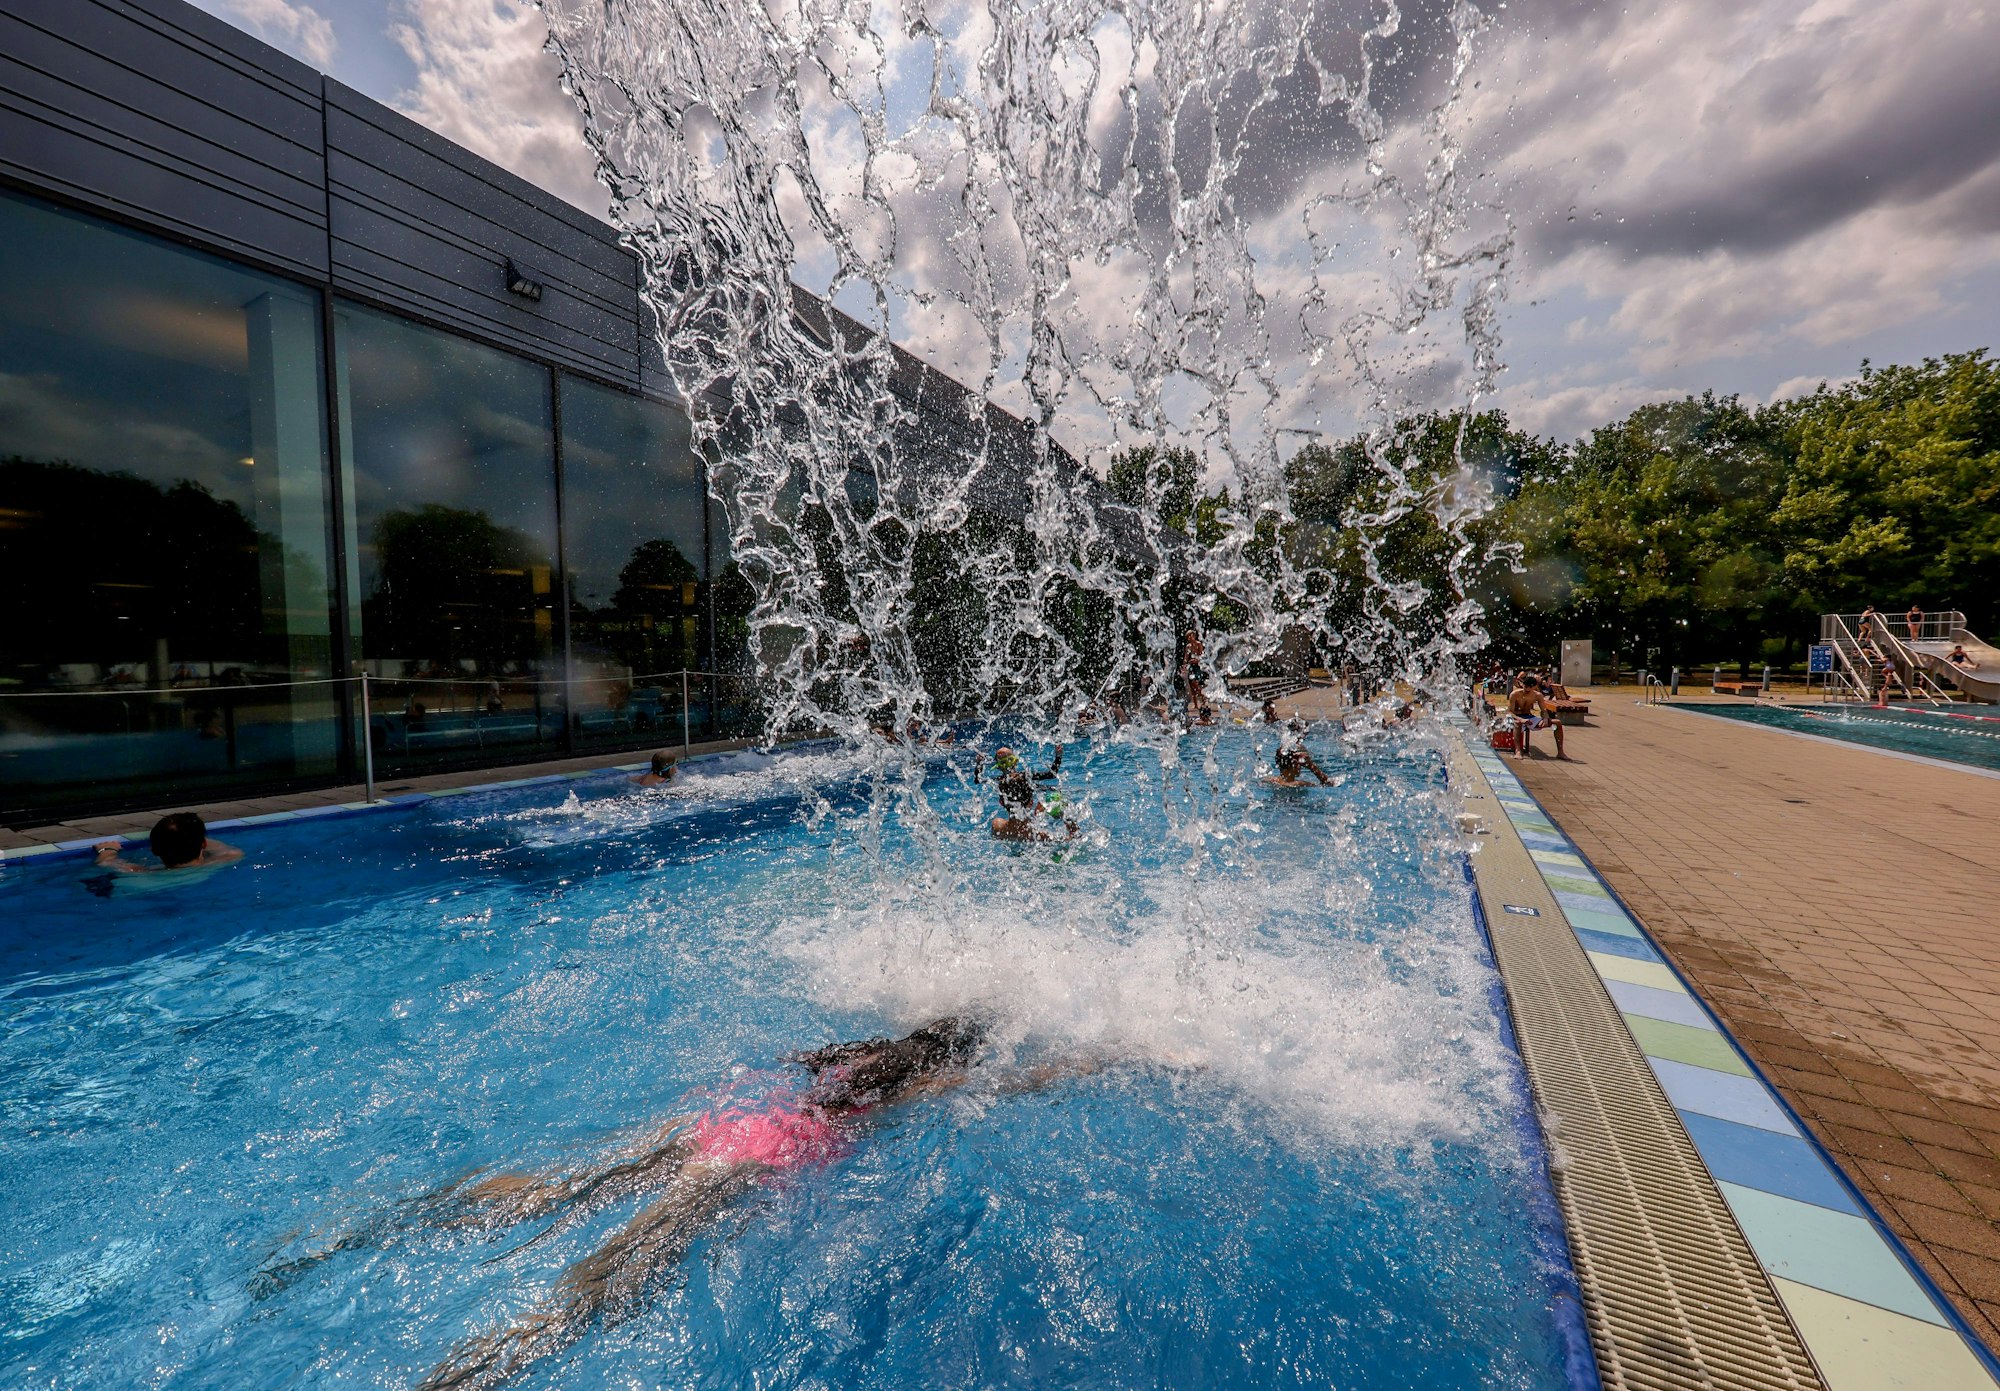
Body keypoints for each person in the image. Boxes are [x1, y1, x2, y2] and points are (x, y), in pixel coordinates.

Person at [264, 1019, 1133, 1391]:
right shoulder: (917, 1083)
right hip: (749, 1165)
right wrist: (1133, 1056)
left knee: (549, 1192)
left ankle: (354, 1233)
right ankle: (468, 1370)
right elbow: (1034, 1078)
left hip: (714, 1125)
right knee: (604, 1286)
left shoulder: (851, 1052)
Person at [94, 812, 243, 875]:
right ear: (203, 844)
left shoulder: (140, 872)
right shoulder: (227, 859)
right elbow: (226, 850)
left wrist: (107, 849)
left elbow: (106, 862)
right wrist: (190, 836)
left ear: (154, 850)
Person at [975, 745, 1067, 840]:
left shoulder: (996, 826)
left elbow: (978, 780)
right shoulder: (1039, 836)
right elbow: (1051, 775)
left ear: (1001, 802)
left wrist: (979, 764)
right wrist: (1058, 757)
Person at [1506, 674, 1566, 760]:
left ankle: (1560, 752)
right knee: (1518, 723)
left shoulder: (1538, 695)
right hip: (1515, 717)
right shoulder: (1514, 694)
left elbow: (1544, 710)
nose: (1526, 690)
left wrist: (1545, 719)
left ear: (1534, 687)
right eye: (1525, 687)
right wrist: (1521, 719)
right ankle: (1518, 750)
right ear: (1522, 684)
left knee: (1557, 722)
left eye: (1529, 689)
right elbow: (1510, 712)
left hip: (1529, 717)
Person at [1265, 744, 1332, 787]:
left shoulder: (1270, 780)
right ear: (1295, 763)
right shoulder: (1300, 784)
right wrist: (1311, 766)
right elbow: (1329, 784)